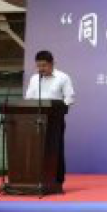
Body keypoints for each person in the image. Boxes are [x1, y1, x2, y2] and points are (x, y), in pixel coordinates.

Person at [24, 50, 75, 189]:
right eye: (38, 66)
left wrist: (60, 108)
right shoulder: (34, 79)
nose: (41, 69)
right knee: (35, 150)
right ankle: (35, 180)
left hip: (55, 121)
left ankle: (57, 181)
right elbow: (28, 98)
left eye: (44, 66)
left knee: (55, 151)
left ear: (52, 64)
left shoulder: (63, 77)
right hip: (34, 120)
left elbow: (70, 98)